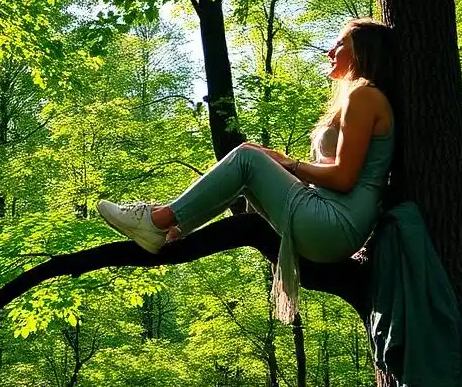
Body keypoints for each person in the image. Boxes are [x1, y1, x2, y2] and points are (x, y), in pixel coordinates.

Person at [97, 18, 397, 322]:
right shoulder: (361, 98)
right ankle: (172, 230)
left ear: (362, 51)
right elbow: (335, 170)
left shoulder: (364, 96)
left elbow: (343, 179)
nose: (330, 51)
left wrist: (289, 165)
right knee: (249, 156)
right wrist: (278, 160)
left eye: (340, 43)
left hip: (335, 224)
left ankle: (157, 221)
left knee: (246, 159)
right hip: (332, 223)